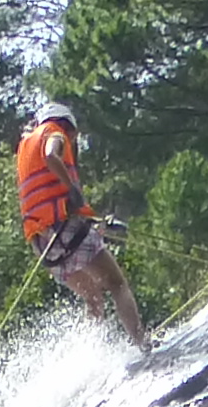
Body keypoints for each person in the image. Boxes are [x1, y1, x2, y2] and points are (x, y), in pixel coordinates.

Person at [14, 99, 146, 346]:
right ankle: (143, 343)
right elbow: (51, 155)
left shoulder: (24, 148)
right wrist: (72, 188)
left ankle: (90, 356)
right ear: (69, 127)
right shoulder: (55, 132)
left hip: (43, 246)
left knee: (93, 298)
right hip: (65, 229)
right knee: (117, 284)